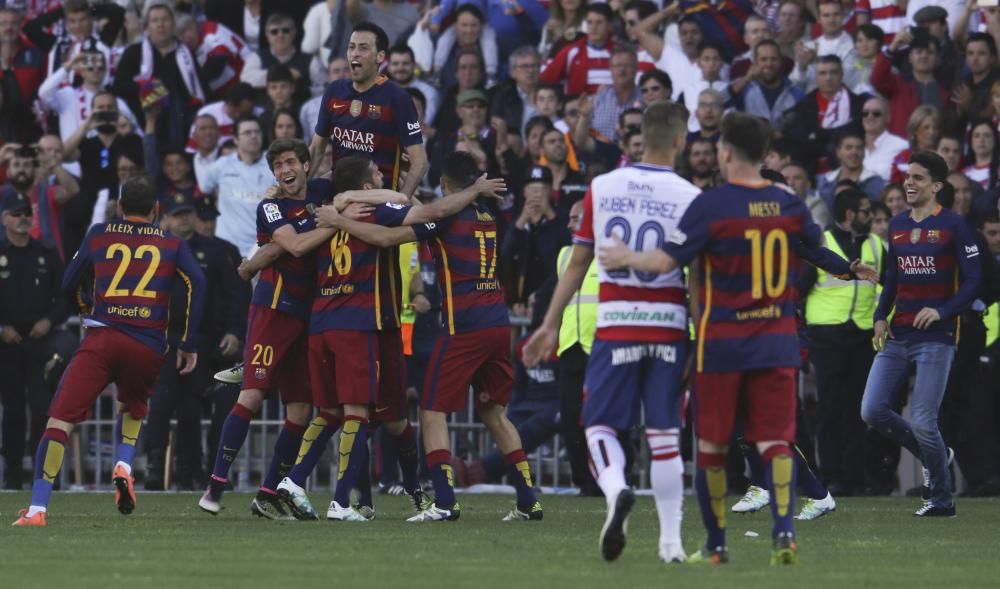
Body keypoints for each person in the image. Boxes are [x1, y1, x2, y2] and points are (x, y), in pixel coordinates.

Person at [594, 112, 877, 564]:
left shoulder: (711, 205)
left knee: (713, 444)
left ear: (724, 152)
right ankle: (784, 533)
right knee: (774, 440)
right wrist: (848, 268)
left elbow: (667, 262)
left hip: (722, 343)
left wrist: (627, 254)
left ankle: (717, 543)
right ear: (762, 154)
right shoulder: (788, 202)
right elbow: (813, 244)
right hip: (777, 340)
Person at [304, 152, 541, 523]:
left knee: (431, 411)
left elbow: (385, 237)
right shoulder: (486, 216)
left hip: (463, 326)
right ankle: (528, 500)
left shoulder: (445, 218)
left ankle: (444, 501)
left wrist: (340, 219)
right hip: (498, 324)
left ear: (445, 186)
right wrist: (360, 197)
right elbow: (410, 204)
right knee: (495, 413)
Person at [524, 101, 700, 564]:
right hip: (668, 324)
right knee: (664, 435)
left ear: (639, 136)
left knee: (599, 425)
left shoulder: (602, 188)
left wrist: (548, 325)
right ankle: (671, 545)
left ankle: (617, 488)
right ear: (679, 141)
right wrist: (697, 338)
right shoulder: (689, 195)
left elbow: (578, 262)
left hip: (617, 321)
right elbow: (697, 277)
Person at [12, 176, 206, 527]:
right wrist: (189, 343)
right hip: (147, 344)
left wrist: (86, 310)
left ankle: (38, 509)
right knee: (130, 405)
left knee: (60, 420)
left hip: (102, 339)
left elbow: (69, 282)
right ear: (156, 210)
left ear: (120, 207)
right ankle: (124, 464)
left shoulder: (99, 233)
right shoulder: (172, 243)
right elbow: (198, 282)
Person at [861, 151, 983, 517]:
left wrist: (943, 310)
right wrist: (881, 314)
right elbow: (894, 278)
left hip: (937, 337)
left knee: (925, 420)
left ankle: (942, 500)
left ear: (937, 186)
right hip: (898, 336)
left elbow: (975, 280)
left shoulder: (955, 226)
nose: (908, 183)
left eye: (917, 178)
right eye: (907, 177)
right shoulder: (897, 225)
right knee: (871, 410)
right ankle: (936, 455)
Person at [802, 188, 885, 496]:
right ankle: (831, 475)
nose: (872, 217)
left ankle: (853, 477)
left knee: (856, 411)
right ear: (850, 215)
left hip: (861, 335)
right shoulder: (821, 244)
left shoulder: (877, 246)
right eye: (866, 211)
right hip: (827, 335)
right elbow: (801, 287)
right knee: (830, 410)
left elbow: (884, 288)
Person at [0, 191, 70, 490]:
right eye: (17, 214)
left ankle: (44, 473)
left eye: (27, 213)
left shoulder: (47, 253)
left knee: (43, 407)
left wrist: (50, 321)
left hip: (41, 341)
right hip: (7, 343)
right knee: (13, 409)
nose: (24, 219)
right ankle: (13, 472)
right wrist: (1, 327)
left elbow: (66, 296)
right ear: (5, 219)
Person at [309, 22, 427, 197]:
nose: (355, 53)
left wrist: (402, 198)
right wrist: (300, 191)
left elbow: (419, 161)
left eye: (363, 48)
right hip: (337, 194)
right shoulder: (334, 91)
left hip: (379, 197)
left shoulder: (398, 98)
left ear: (380, 57)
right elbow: (317, 149)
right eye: (351, 47)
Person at [198, 116, 275, 257]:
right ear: (235, 139)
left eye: (257, 132)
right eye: (247, 132)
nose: (253, 136)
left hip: (262, 249)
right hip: (226, 248)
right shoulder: (221, 165)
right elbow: (204, 189)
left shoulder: (274, 165)